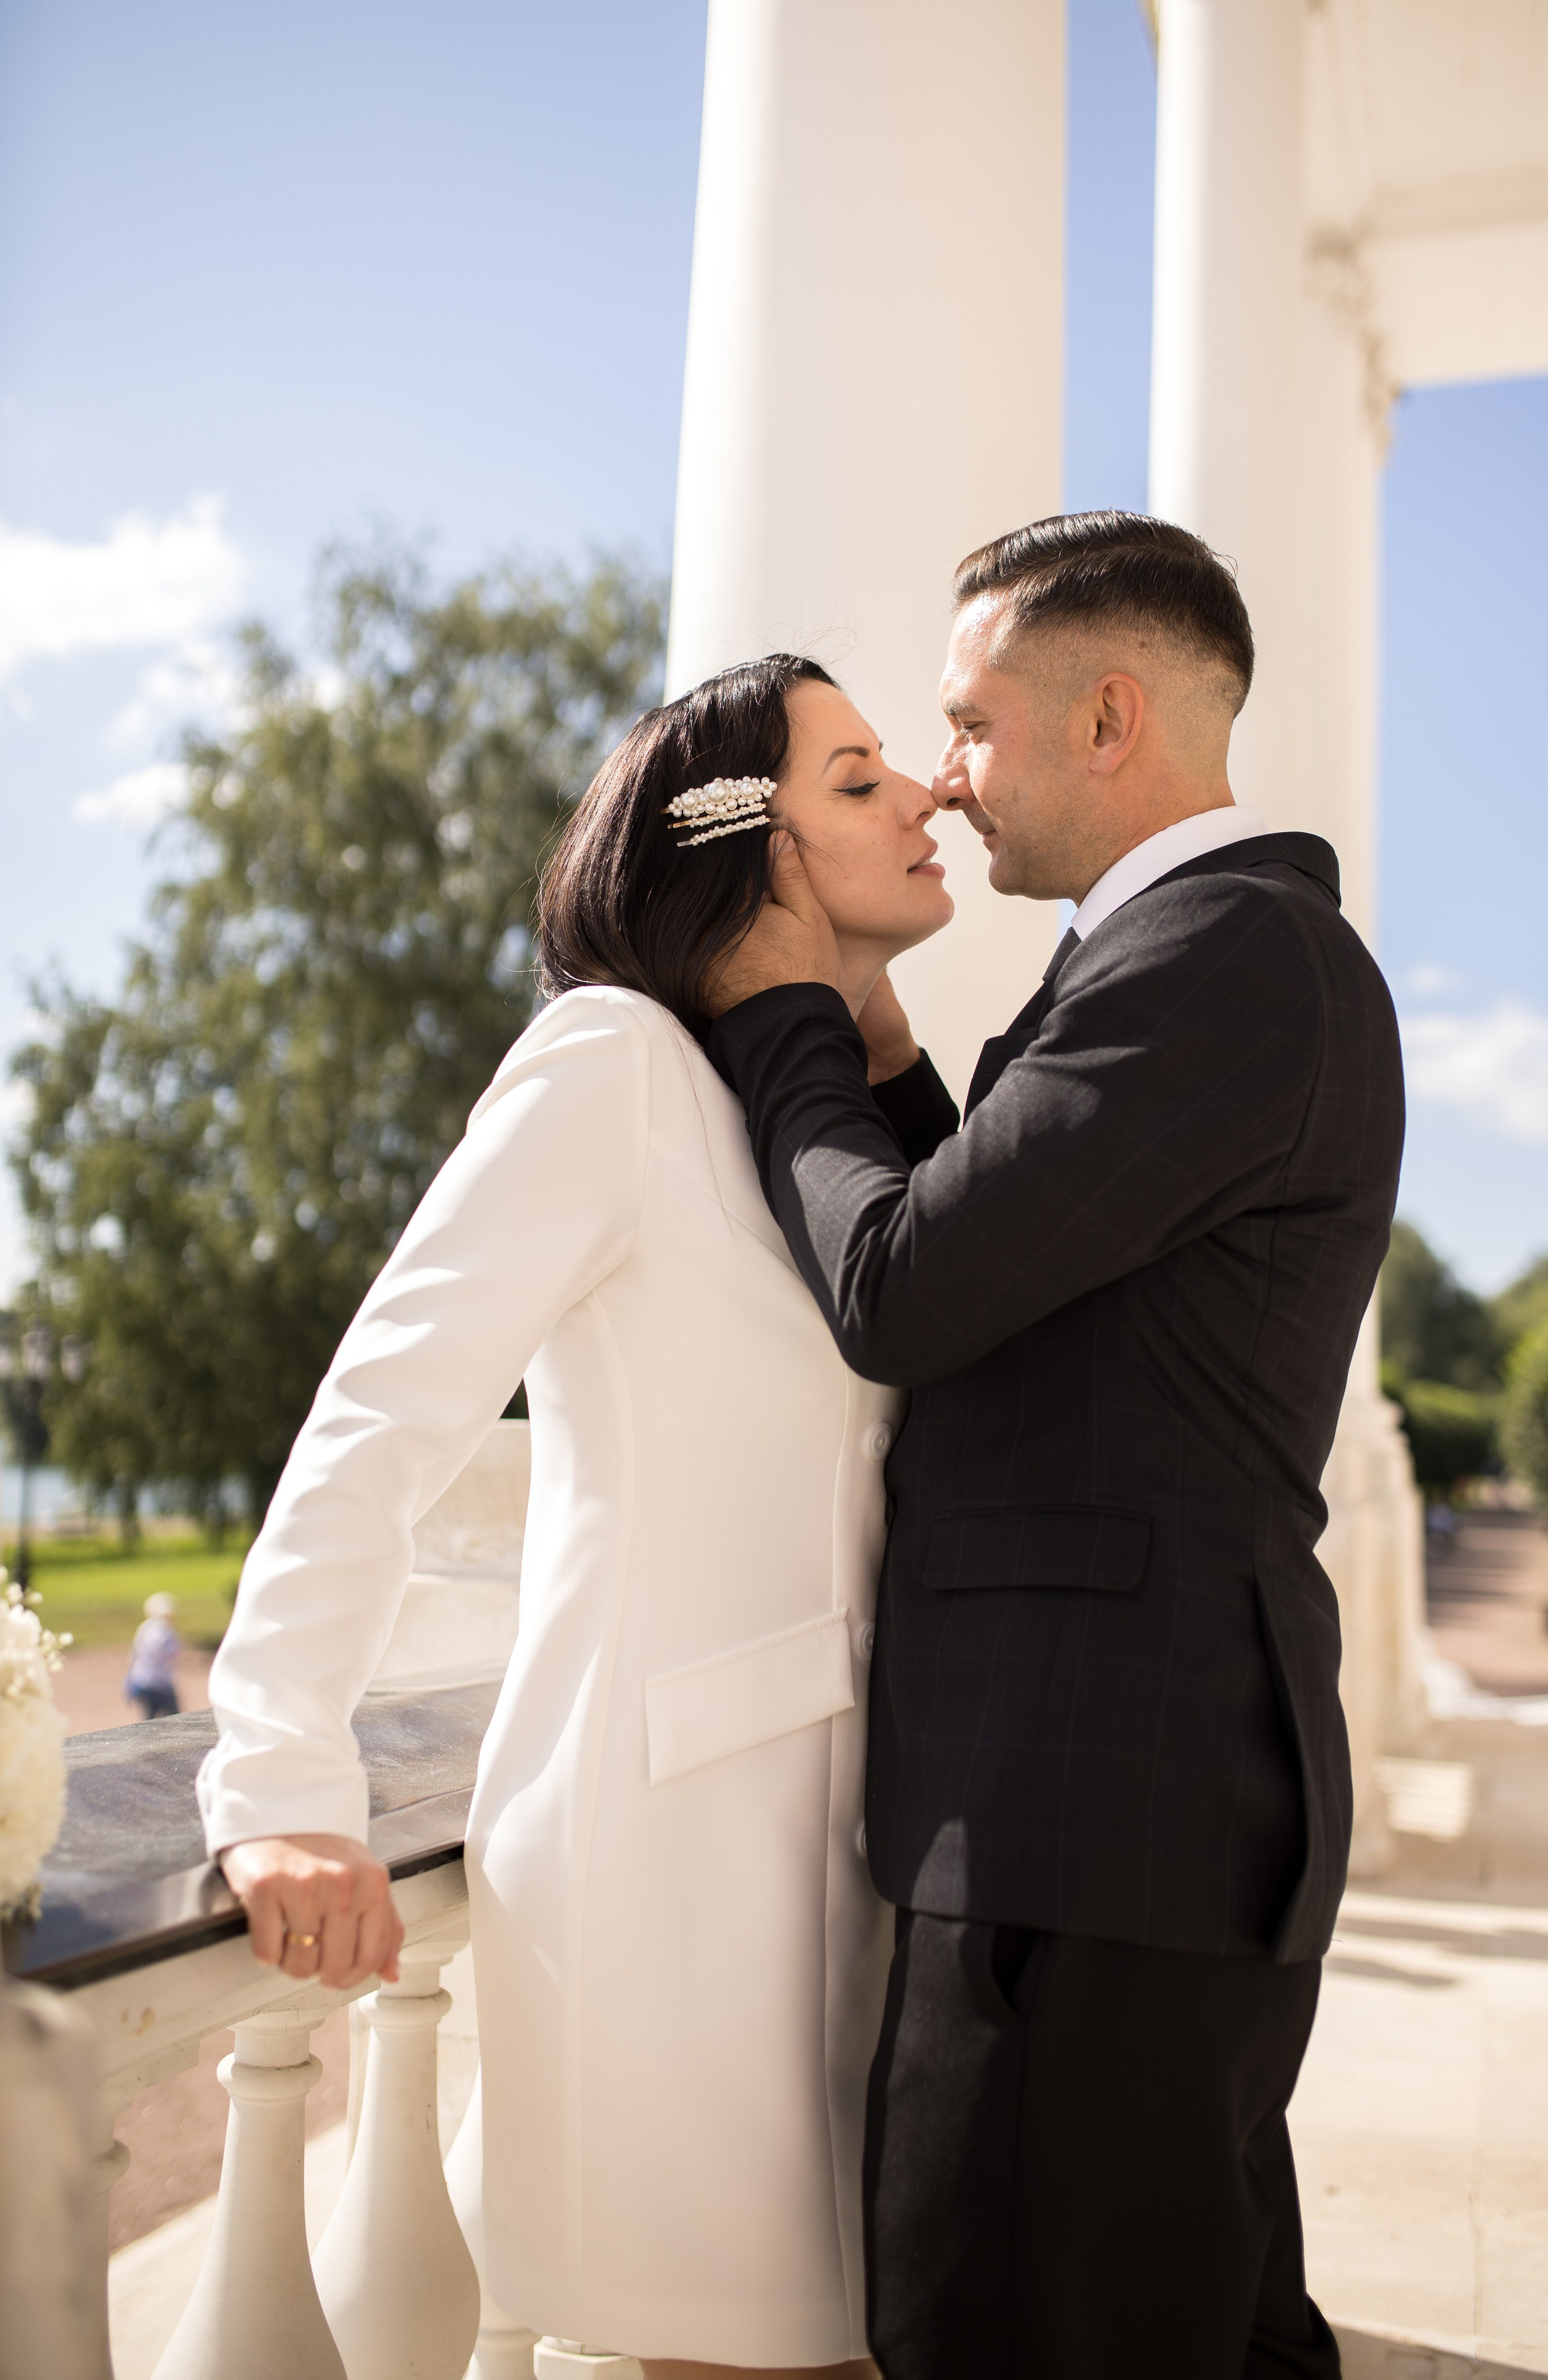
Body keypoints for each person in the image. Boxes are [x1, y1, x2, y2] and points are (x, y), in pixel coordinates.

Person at [705, 513, 1406, 2380]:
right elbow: (1027, 1248)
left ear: (1108, 718)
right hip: (1124, 1796)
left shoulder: (1224, 957)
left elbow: (906, 1283)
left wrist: (777, 1006)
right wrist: (871, 1044)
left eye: (968, 722)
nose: (942, 772)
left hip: (1082, 1806)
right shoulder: (1206, 954)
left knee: (1001, 2327)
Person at [196, 654, 955, 2378]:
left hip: (863, 1874)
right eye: (858, 779)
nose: (924, 797)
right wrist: (281, 1780)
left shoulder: (817, 1126)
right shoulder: (607, 1064)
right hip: (668, 1872)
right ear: (747, 849)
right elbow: (384, 1407)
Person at [124, 1591, 182, 1721]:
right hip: (159, 1682)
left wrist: (129, 1681)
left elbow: (134, 1654)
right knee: (177, 1719)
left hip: (141, 1679)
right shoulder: (163, 1630)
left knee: (149, 1719)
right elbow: (165, 1653)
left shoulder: (144, 1627)